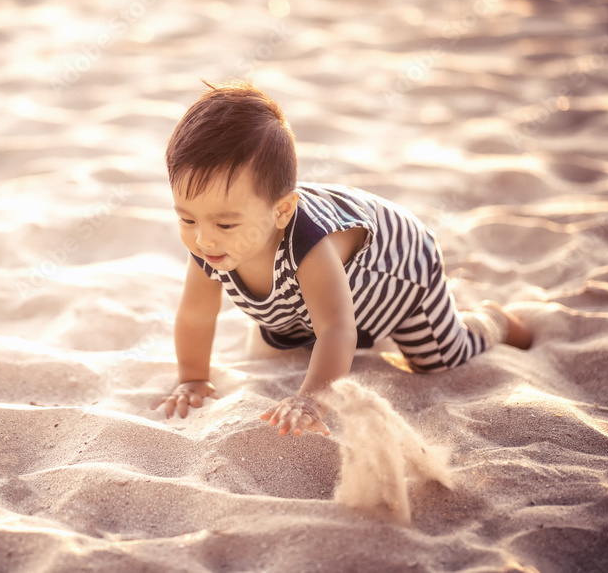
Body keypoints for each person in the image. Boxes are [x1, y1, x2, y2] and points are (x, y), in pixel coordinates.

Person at [155, 80, 532, 436]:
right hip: (320, 300)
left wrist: (312, 400)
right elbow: (196, 315)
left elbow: (337, 330)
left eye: (224, 223)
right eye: (186, 218)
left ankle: (493, 320)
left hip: (400, 274)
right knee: (291, 338)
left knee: (438, 359)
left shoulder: (311, 246)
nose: (203, 238)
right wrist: (192, 377)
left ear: (282, 212)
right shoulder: (211, 244)